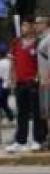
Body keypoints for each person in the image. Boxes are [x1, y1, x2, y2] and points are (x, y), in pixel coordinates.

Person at [6, 19, 47, 152]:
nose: (24, 28)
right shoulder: (16, 42)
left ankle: (37, 139)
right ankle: (20, 140)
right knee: (21, 112)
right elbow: (13, 62)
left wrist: (40, 77)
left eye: (26, 25)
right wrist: (11, 78)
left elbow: (42, 62)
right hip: (20, 82)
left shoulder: (38, 43)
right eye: (22, 25)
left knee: (36, 113)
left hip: (34, 82)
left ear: (32, 27)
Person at [36, 16, 50, 146]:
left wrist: (47, 78)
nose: (36, 25)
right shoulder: (42, 39)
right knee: (45, 111)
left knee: (48, 110)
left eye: (39, 23)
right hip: (42, 79)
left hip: (47, 79)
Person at [0, 43, 14, 121]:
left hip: (0, 86)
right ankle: (10, 116)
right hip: (7, 85)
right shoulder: (9, 61)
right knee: (5, 103)